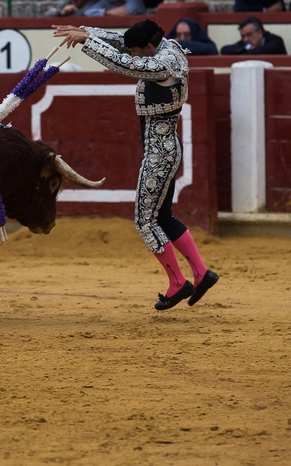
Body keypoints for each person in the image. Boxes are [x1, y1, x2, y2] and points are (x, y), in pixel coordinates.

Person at [52, 20, 220, 309]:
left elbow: (124, 64)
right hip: (165, 147)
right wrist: (85, 31)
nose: (133, 55)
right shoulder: (163, 48)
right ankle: (202, 273)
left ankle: (178, 283)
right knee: (163, 217)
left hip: (159, 154)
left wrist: (87, 42)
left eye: (137, 51)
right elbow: (121, 42)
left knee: (145, 221)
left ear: (149, 47)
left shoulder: (162, 64)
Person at [220, 16, 289, 54]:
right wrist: (245, 48)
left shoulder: (276, 41)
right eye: (243, 36)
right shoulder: (246, 44)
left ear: (260, 32)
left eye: (249, 35)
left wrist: (245, 51)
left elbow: (260, 51)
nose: (245, 39)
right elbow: (224, 50)